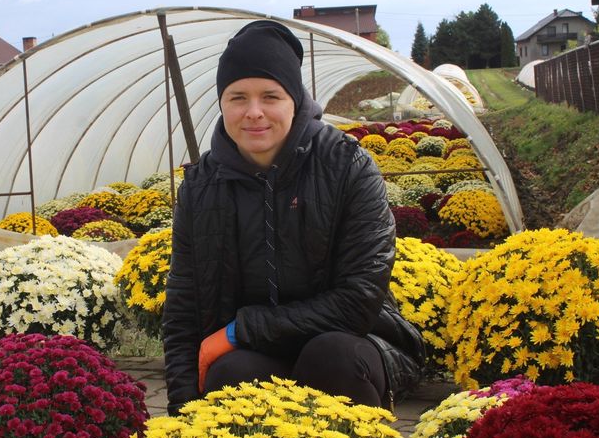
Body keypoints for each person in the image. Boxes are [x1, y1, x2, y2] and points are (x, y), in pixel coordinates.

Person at [162, 20, 425, 416]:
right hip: (257, 354)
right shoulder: (202, 186)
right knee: (229, 372)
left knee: (331, 355)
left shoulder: (347, 166)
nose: (254, 113)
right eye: (237, 97)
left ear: (295, 101)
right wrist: (181, 419)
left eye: (271, 96)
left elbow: (358, 301)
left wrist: (240, 330)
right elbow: (184, 307)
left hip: (356, 342)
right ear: (221, 103)